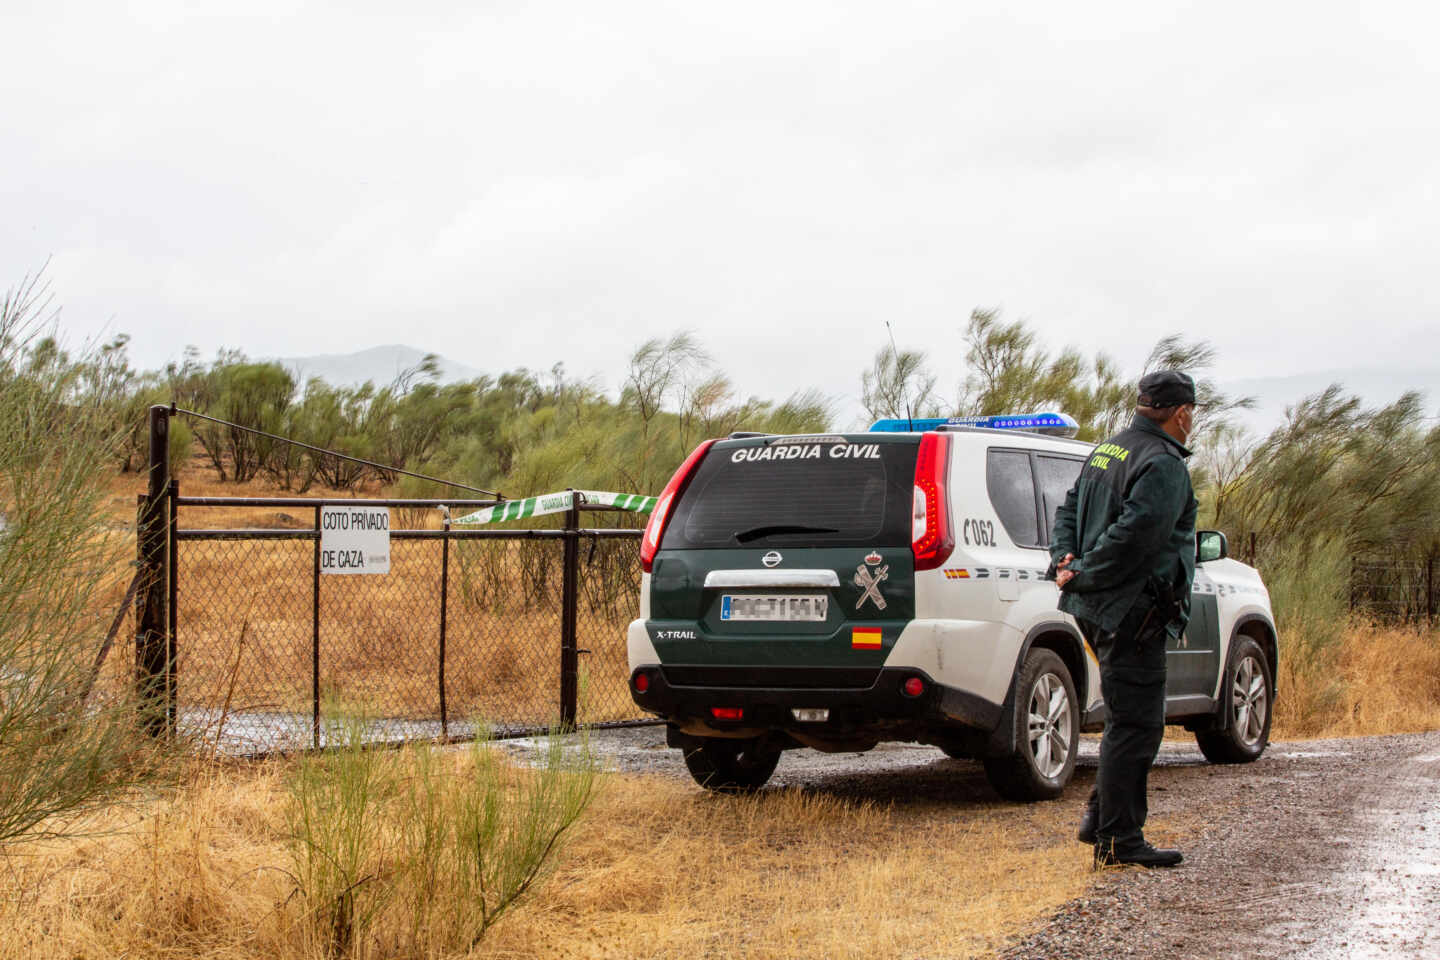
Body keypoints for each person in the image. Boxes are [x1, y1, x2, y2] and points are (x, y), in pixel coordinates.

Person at [1048, 370, 1199, 868]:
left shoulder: (1109, 449)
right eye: (1192, 414)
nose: (1192, 421)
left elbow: (1067, 510)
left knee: (1126, 721)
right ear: (1181, 413)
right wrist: (1083, 571)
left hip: (1099, 607)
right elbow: (1137, 537)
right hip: (1132, 609)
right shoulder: (1163, 463)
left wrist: (1065, 561)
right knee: (1136, 725)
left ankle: (1101, 819)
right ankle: (1119, 839)